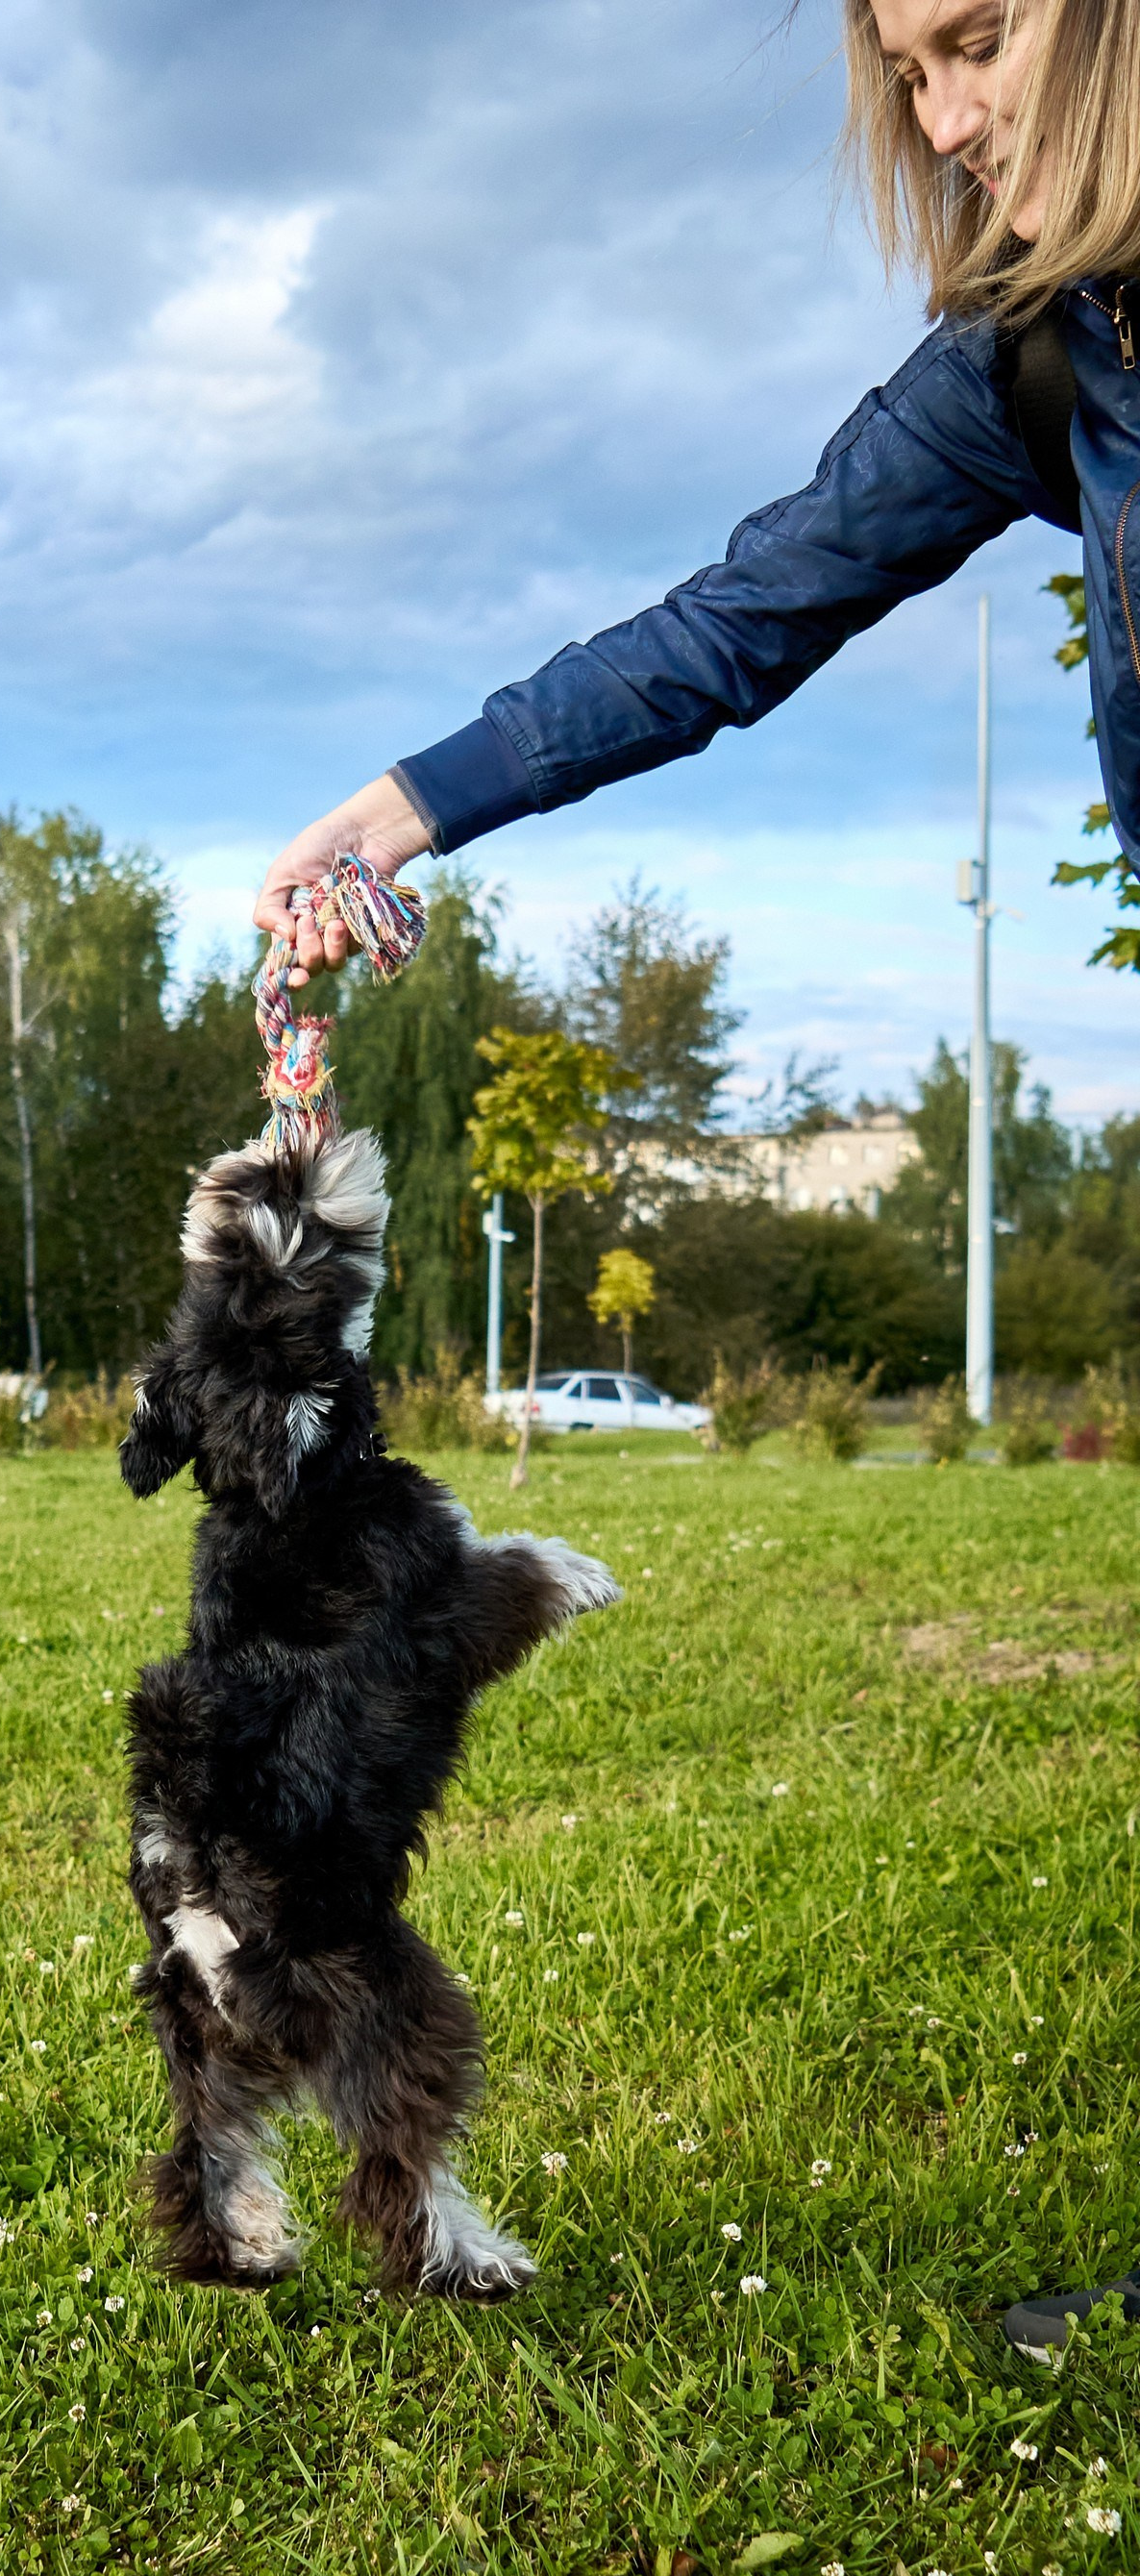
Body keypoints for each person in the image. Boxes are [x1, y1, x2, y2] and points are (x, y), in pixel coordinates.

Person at [254, 0, 1138, 2360]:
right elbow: (732, 619)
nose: (946, 117)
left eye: (982, 39)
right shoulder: (1041, 356)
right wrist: (408, 801)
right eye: (906, 72)